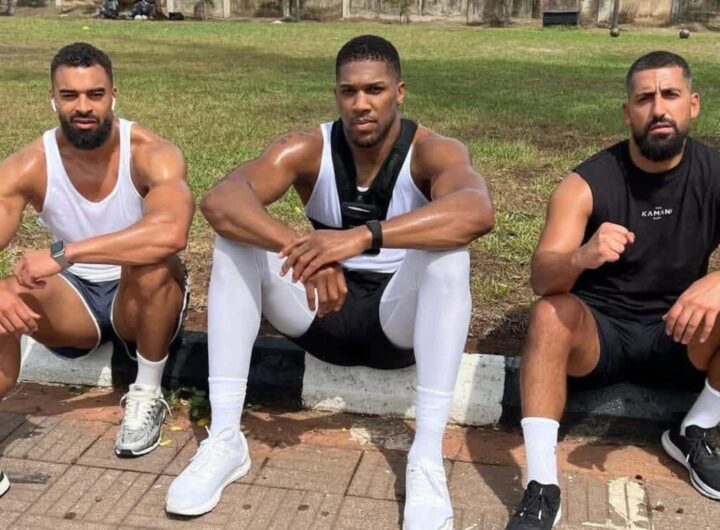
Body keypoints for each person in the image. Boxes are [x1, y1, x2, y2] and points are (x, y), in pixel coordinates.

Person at [166, 35, 494, 529]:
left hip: (397, 324)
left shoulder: (432, 151)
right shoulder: (307, 148)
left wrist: (360, 237)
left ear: (399, 93)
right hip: (320, 312)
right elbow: (221, 200)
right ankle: (226, 439)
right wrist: (303, 251)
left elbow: (476, 211)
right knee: (235, 241)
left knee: (449, 257)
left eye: (374, 90)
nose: (361, 103)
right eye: (348, 91)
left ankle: (426, 458)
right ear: (336, 95)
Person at [506, 50, 720, 530]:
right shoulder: (586, 183)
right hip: (600, 338)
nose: (658, 109)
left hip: (679, 332)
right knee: (548, 314)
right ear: (627, 112)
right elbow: (542, 278)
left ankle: (694, 429)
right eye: (644, 98)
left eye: (670, 95)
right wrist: (581, 257)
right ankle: (542, 485)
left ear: (693, 104)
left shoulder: (715, 173)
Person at [0, 42, 192, 497]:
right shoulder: (30, 164)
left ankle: (147, 394)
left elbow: (171, 233)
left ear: (113, 95)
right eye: (69, 95)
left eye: (95, 94)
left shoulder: (151, 152)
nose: (83, 106)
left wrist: (68, 252)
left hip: (139, 298)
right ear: (52, 98)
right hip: (74, 303)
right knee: (6, 296)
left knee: (150, 260)